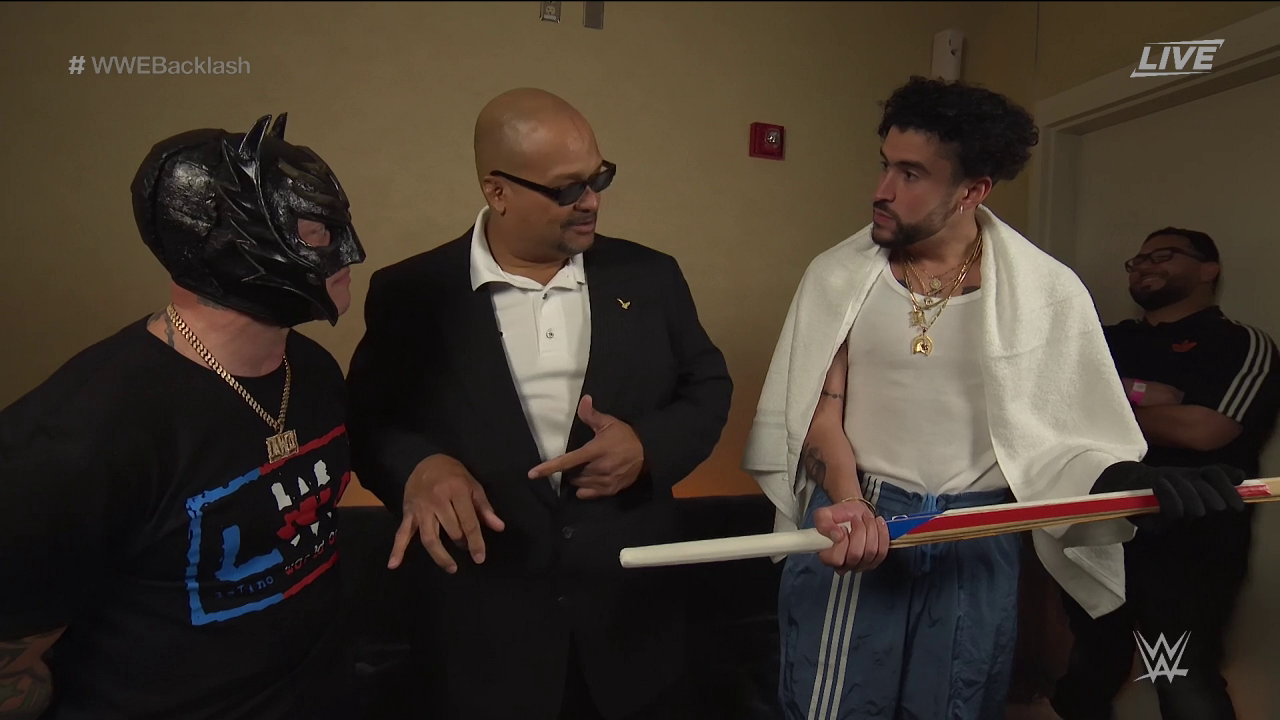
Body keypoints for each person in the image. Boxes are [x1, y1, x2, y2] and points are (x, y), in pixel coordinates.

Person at [741, 76, 1248, 720]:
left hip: (977, 530)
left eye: (911, 174)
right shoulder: (838, 276)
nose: (882, 189)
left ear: (973, 190)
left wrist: (1127, 480)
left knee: (955, 706)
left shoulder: (1048, 293)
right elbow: (818, 409)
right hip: (860, 515)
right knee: (833, 704)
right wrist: (849, 503)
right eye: (885, 165)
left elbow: (1061, 436)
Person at [345, 87, 733, 720]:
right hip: (482, 635)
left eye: (599, 178)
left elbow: (709, 387)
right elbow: (370, 422)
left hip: (632, 629)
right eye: (567, 188)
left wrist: (647, 448)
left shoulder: (651, 277)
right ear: (497, 191)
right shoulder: (410, 293)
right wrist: (419, 467)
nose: (591, 201)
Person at [0, 114, 366, 720]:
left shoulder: (313, 369)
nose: (350, 251)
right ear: (225, 242)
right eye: (317, 231)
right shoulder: (75, 440)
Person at [1051, 228, 1280, 720]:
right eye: (1137, 260)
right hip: (1096, 534)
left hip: (1189, 541)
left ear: (1208, 269)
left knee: (1179, 675)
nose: (1144, 266)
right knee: (1091, 667)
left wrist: (1102, 410)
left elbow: (1206, 429)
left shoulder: (1238, 342)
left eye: (1163, 255)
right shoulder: (1100, 340)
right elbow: (1048, 417)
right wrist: (1138, 392)